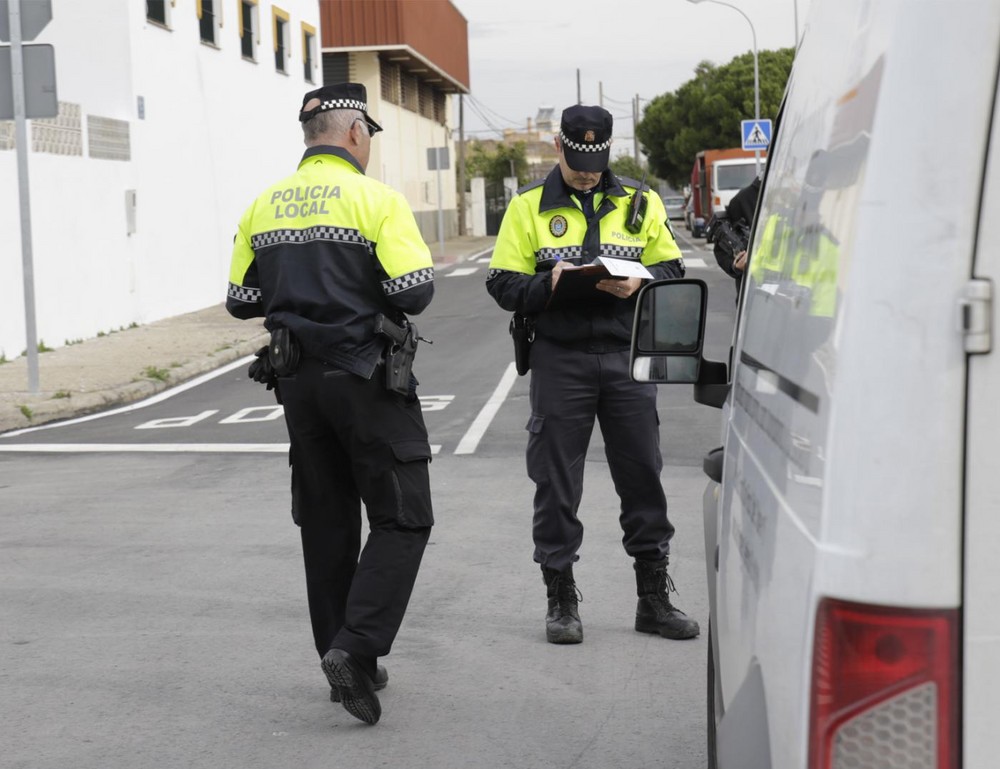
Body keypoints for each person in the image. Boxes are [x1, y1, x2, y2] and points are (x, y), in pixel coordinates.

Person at [225, 83, 435, 725]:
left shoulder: (264, 203)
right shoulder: (376, 199)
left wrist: (298, 293)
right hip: (367, 379)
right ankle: (356, 646)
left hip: (297, 385)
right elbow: (415, 290)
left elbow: (240, 298)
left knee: (326, 521)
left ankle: (348, 660)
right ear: (353, 133)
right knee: (403, 518)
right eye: (368, 133)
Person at [485, 104, 699, 645]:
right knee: (556, 482)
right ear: (560, 146)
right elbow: (503, 284)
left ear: (609, 149)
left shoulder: (641, 200)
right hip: (561, 359)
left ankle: (653, 599)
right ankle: (561, 600)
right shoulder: (529, 206)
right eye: (578, 158)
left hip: (628, 358)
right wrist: (549, 284)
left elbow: (672, 266)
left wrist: (641, 281)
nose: (587, 169)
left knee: (643, 475)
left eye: (596, 158)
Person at [710, 174, 761, 296]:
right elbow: (722, 247)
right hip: (753, 298)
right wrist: (735, 266)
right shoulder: (742, 201)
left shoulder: (798, 198)